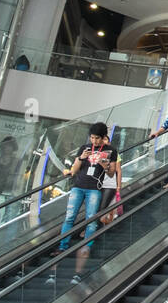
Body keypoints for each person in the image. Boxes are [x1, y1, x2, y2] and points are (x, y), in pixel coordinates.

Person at [51, 121, 118, 284]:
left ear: (103, 138)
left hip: (94, 188)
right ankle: (63, 245)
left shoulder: (111, 151)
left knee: (91, 220)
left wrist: (105, 164)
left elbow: (110, 174)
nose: (94, 141)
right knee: (69, 217)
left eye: (97, 139)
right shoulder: (84, 148)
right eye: (92, 138)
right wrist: (82, 158)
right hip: (78, 186)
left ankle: (86, 246)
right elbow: (74, 169)